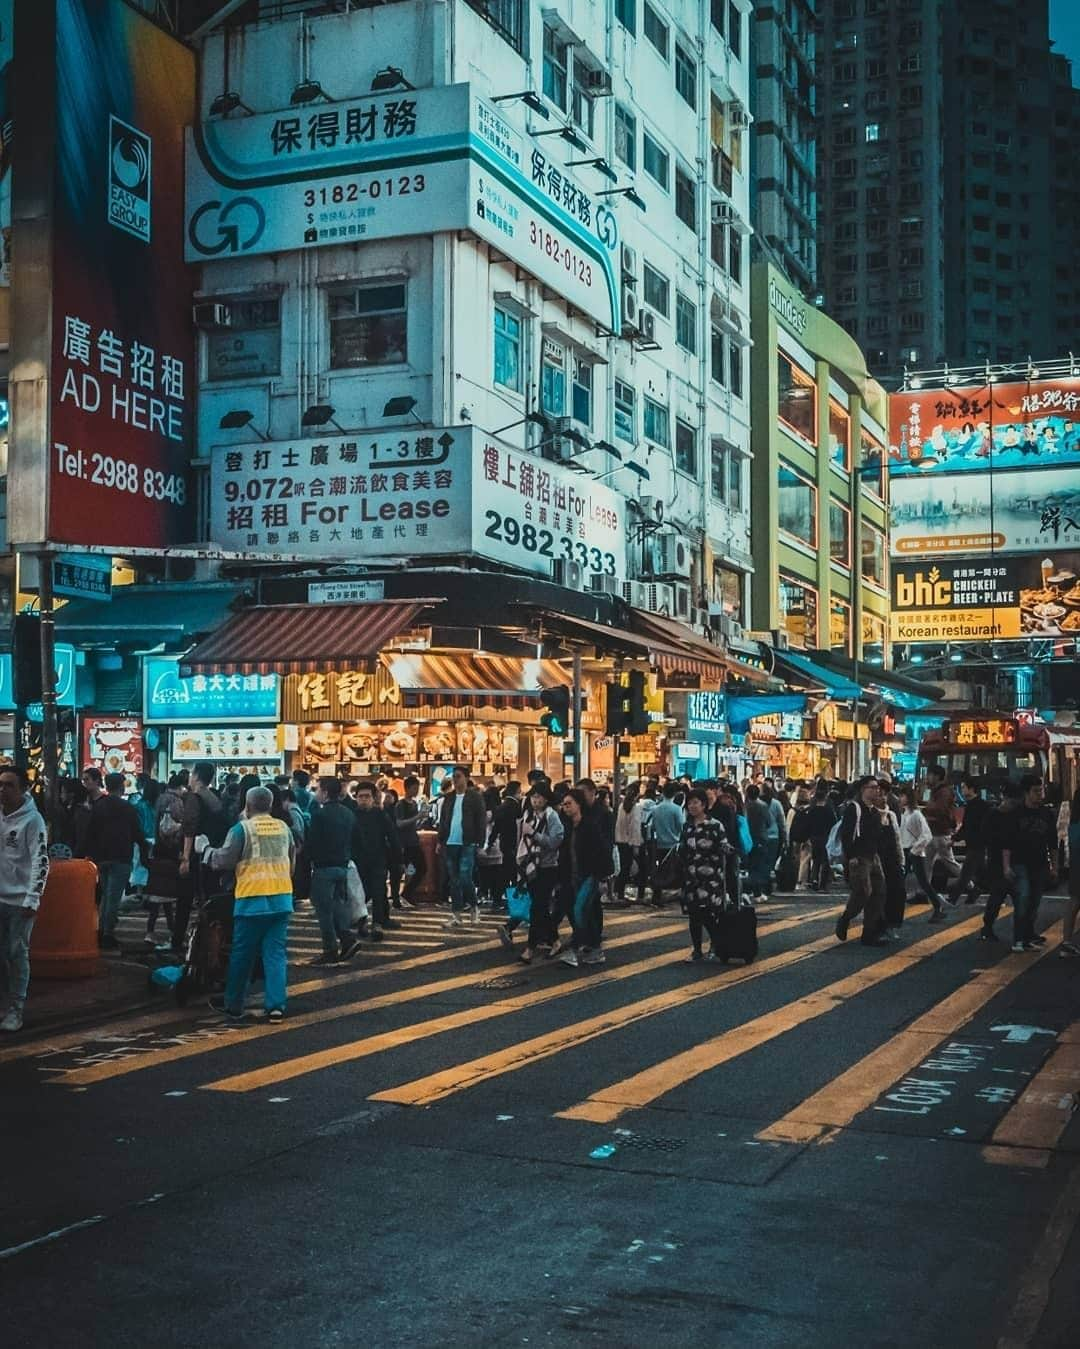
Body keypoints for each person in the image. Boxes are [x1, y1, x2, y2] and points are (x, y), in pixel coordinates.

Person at [202, 785, 295, 1025]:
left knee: (242, 955)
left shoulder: (241, 829)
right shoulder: (284, 829)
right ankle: (276, 1006)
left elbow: (224, 860)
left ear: (247, 805)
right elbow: (292, 862)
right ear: (271, 805)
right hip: (281, 897)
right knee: (275, 955)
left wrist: (205, 850)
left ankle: (234, 1004)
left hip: (251, 899)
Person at [0, 766, 50, 1032]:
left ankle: (16, 1009)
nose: (2, 790)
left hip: (20, 901)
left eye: (9, 785)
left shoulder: (33, 821)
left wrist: (33, 898)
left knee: (16, 954)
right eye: (0, 784)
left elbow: (40, 862)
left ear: (23, 789)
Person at [82, 771, 146, 950]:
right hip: (121, 857)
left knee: (105, 896)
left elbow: (90, 833)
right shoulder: (127, 808)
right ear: (122, 785)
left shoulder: (99, 806)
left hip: (102, 857)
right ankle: (107, 934)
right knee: (113, 897)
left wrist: (89, 853)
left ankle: (101, 930)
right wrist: (144, 852)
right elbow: (137, 832)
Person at [503, 781, 564, 963]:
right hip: (530, 866)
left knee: (537, 907)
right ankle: (554, 941)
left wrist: (535, 835)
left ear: (546, 799)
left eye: (538, 797)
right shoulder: (528, 815)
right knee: (540, 907)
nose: (535, 800)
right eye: (533, 797)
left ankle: (530, 949)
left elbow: (555, 841)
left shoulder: (552, 816)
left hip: (547, 867)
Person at [306, 777, 363, 964]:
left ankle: (330, 950)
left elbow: (312, 843)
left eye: (318, 789)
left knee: (323, 910)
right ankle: (347, 940)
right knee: (338, 906)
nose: (315, 793)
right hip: (342, 866)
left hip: (324, 867)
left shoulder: (320, 815)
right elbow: (356, 840)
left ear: (325, 792)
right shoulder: (348, 813)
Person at [1001, 774, 1057, 953]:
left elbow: (1053, 843)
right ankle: (1019, 939)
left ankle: (1028, 935)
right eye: (1036, 791)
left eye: (1041, 791)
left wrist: (1054, 866)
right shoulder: (1016, 814)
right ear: (1026, 793)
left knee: (1034, 901)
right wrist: (1006, 866)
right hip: (1020, 863)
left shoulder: (1047, 813)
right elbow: (1007, 842)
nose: (1040, 794)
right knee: (1023, 899)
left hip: (1040, 863)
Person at [177, 761, 228, 953]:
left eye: (191, 774)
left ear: (196, 776)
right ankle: (212, 940)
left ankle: (178, 940)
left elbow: (190, 829)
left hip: (196, 856)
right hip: (212, 854)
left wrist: (185, 859)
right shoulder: (215, 798)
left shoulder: (194, 798)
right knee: (209, 898)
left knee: (185, 899)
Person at [558, 788, 610, 967]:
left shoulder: (589, 826)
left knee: (580, 910)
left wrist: (603, 876)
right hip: (572, 876)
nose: (566, 808)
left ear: (578, 804)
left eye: (569, 804)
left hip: (590, 875)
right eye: (564, 804)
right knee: (582, 912)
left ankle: (576, 947)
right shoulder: (567, 827)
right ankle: (592, 947)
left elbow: (602, 851)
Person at [836, 777, 889, 947]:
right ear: (863, 790)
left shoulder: (874, 811)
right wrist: (850, 856)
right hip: (859, 857)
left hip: (873, 856)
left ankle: (869, 933)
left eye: (877, 788)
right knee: (863, 892)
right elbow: (846, 834)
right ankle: (845, 918)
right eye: (873, 787)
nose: (877, 791)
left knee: (879, 892)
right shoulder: (854, 809)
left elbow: (878, 835)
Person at [680, 788, 730, 962]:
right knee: (694, 914)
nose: (692, 806)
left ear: (703, 805)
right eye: (689, 803)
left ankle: (717, 944)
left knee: (708, 912)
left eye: (695, 803)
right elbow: (683, 848)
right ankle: (697, 949)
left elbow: (724, 846)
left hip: (710, 877)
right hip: (691, 876)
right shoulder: (687, 826)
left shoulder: (715, 825)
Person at [352, 779, 402, 935]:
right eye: (361, 796)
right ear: (356, 797)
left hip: (379, 859)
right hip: (358, 861)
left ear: (373, 798)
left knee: (379, 891)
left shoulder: (380, 815)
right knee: (361, 894)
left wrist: (397, 859)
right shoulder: (352, 816)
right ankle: (361, 922)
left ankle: (377, 924)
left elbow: (392, 837)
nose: (364, 800)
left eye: (367, 796)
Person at [437, 766, 486, 927]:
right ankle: (456, 914)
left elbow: (481, 821)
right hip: (450, 843)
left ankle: (473, 906)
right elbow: (444, 820)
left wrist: (480, 843)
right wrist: (440, 841)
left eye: (458, 777)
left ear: (466, 778)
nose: (455, 780)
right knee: (454, 880)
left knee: (465, 876)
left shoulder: (475, 797)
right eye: (454, 777)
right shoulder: (448, 798)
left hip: (468, 842)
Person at [898, 786, 948, 923]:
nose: (900, 799)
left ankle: (938, 906)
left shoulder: (916, 814)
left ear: (908, 798)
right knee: (903, 881)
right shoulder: (905, 814)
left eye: (902, 796)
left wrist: (915, 849)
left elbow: (927, 835)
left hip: (914, 852)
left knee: (923, 882)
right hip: (907, 851)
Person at [981, 781, 1023, 943]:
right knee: (997, 897)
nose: (1012, 805)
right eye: (1011, 802)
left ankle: (1023, 932)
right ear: (1004, 798)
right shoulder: (992, 815)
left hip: (1016, 860)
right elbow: (985, 837)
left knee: (1021, 899)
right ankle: (987, 927)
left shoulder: (1017, 814)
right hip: (996, 862)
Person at [948, 777, 992, 903]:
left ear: (971, 789)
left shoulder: (980, 805)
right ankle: (976, 891)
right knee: (980, 872)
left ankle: (953, 899)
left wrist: (955, 838)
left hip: (977, 844)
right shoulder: (971, 805)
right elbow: (966, 826)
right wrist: (955, 838)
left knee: (965, 874)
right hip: (974, 843)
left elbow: (969, 826)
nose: (961, 790)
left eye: (963, 787)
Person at [922, 764, 962, 895]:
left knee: (949, 863)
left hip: (940, 833)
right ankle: (924, 891)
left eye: (930, 775)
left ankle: (971, 885)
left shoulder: (943, 792)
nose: (927, 778)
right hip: (933, 832)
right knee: (926, 864)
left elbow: (941, 810)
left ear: (937, 777)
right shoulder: (936, 791)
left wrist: (925, 812)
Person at [648, 782, 685, 903]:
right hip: (674, 845)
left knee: (659, 871)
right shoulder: (677, 809)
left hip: (659, 844)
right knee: (675, 871)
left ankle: (657, 895)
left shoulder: (655, 809)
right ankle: (678, 895)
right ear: (674, 794)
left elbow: (652, 826)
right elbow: (681, 826)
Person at [395, 776, 427, 907]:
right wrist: (417, 817)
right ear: (407, 788)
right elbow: (399, 823)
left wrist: (421, 818)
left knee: (422, 868)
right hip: (404, 843)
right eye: (415, 788)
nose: (417, 790)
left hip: (414, 841)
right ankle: (398, 897)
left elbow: (414, 824)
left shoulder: (414, 803)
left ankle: (407, 893)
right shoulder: (400, 805)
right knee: (400, 871)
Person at [614, 782, 645, 903]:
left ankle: (620, 893)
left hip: (621, 841)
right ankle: (640, 895)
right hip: (631, 842)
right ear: (637, 794)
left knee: (624, 868)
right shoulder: (636, 807)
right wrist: (636, 844)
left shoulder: (622, 806)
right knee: (642, 869)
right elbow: (635, 827)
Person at [744, 784, 775, 903]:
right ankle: (756, 892)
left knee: (751, 866)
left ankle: (750, 891)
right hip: (761, 838)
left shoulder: (745, 806)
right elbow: (769, 822)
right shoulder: (763, 806)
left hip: (747, 839)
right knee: (759, 866)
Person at [1059, 787, 1080, 958]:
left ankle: (1066, 942)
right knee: (1075, 901)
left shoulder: (1074, 824)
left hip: (1076, 866)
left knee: (1074, 901)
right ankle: (1066, 943)